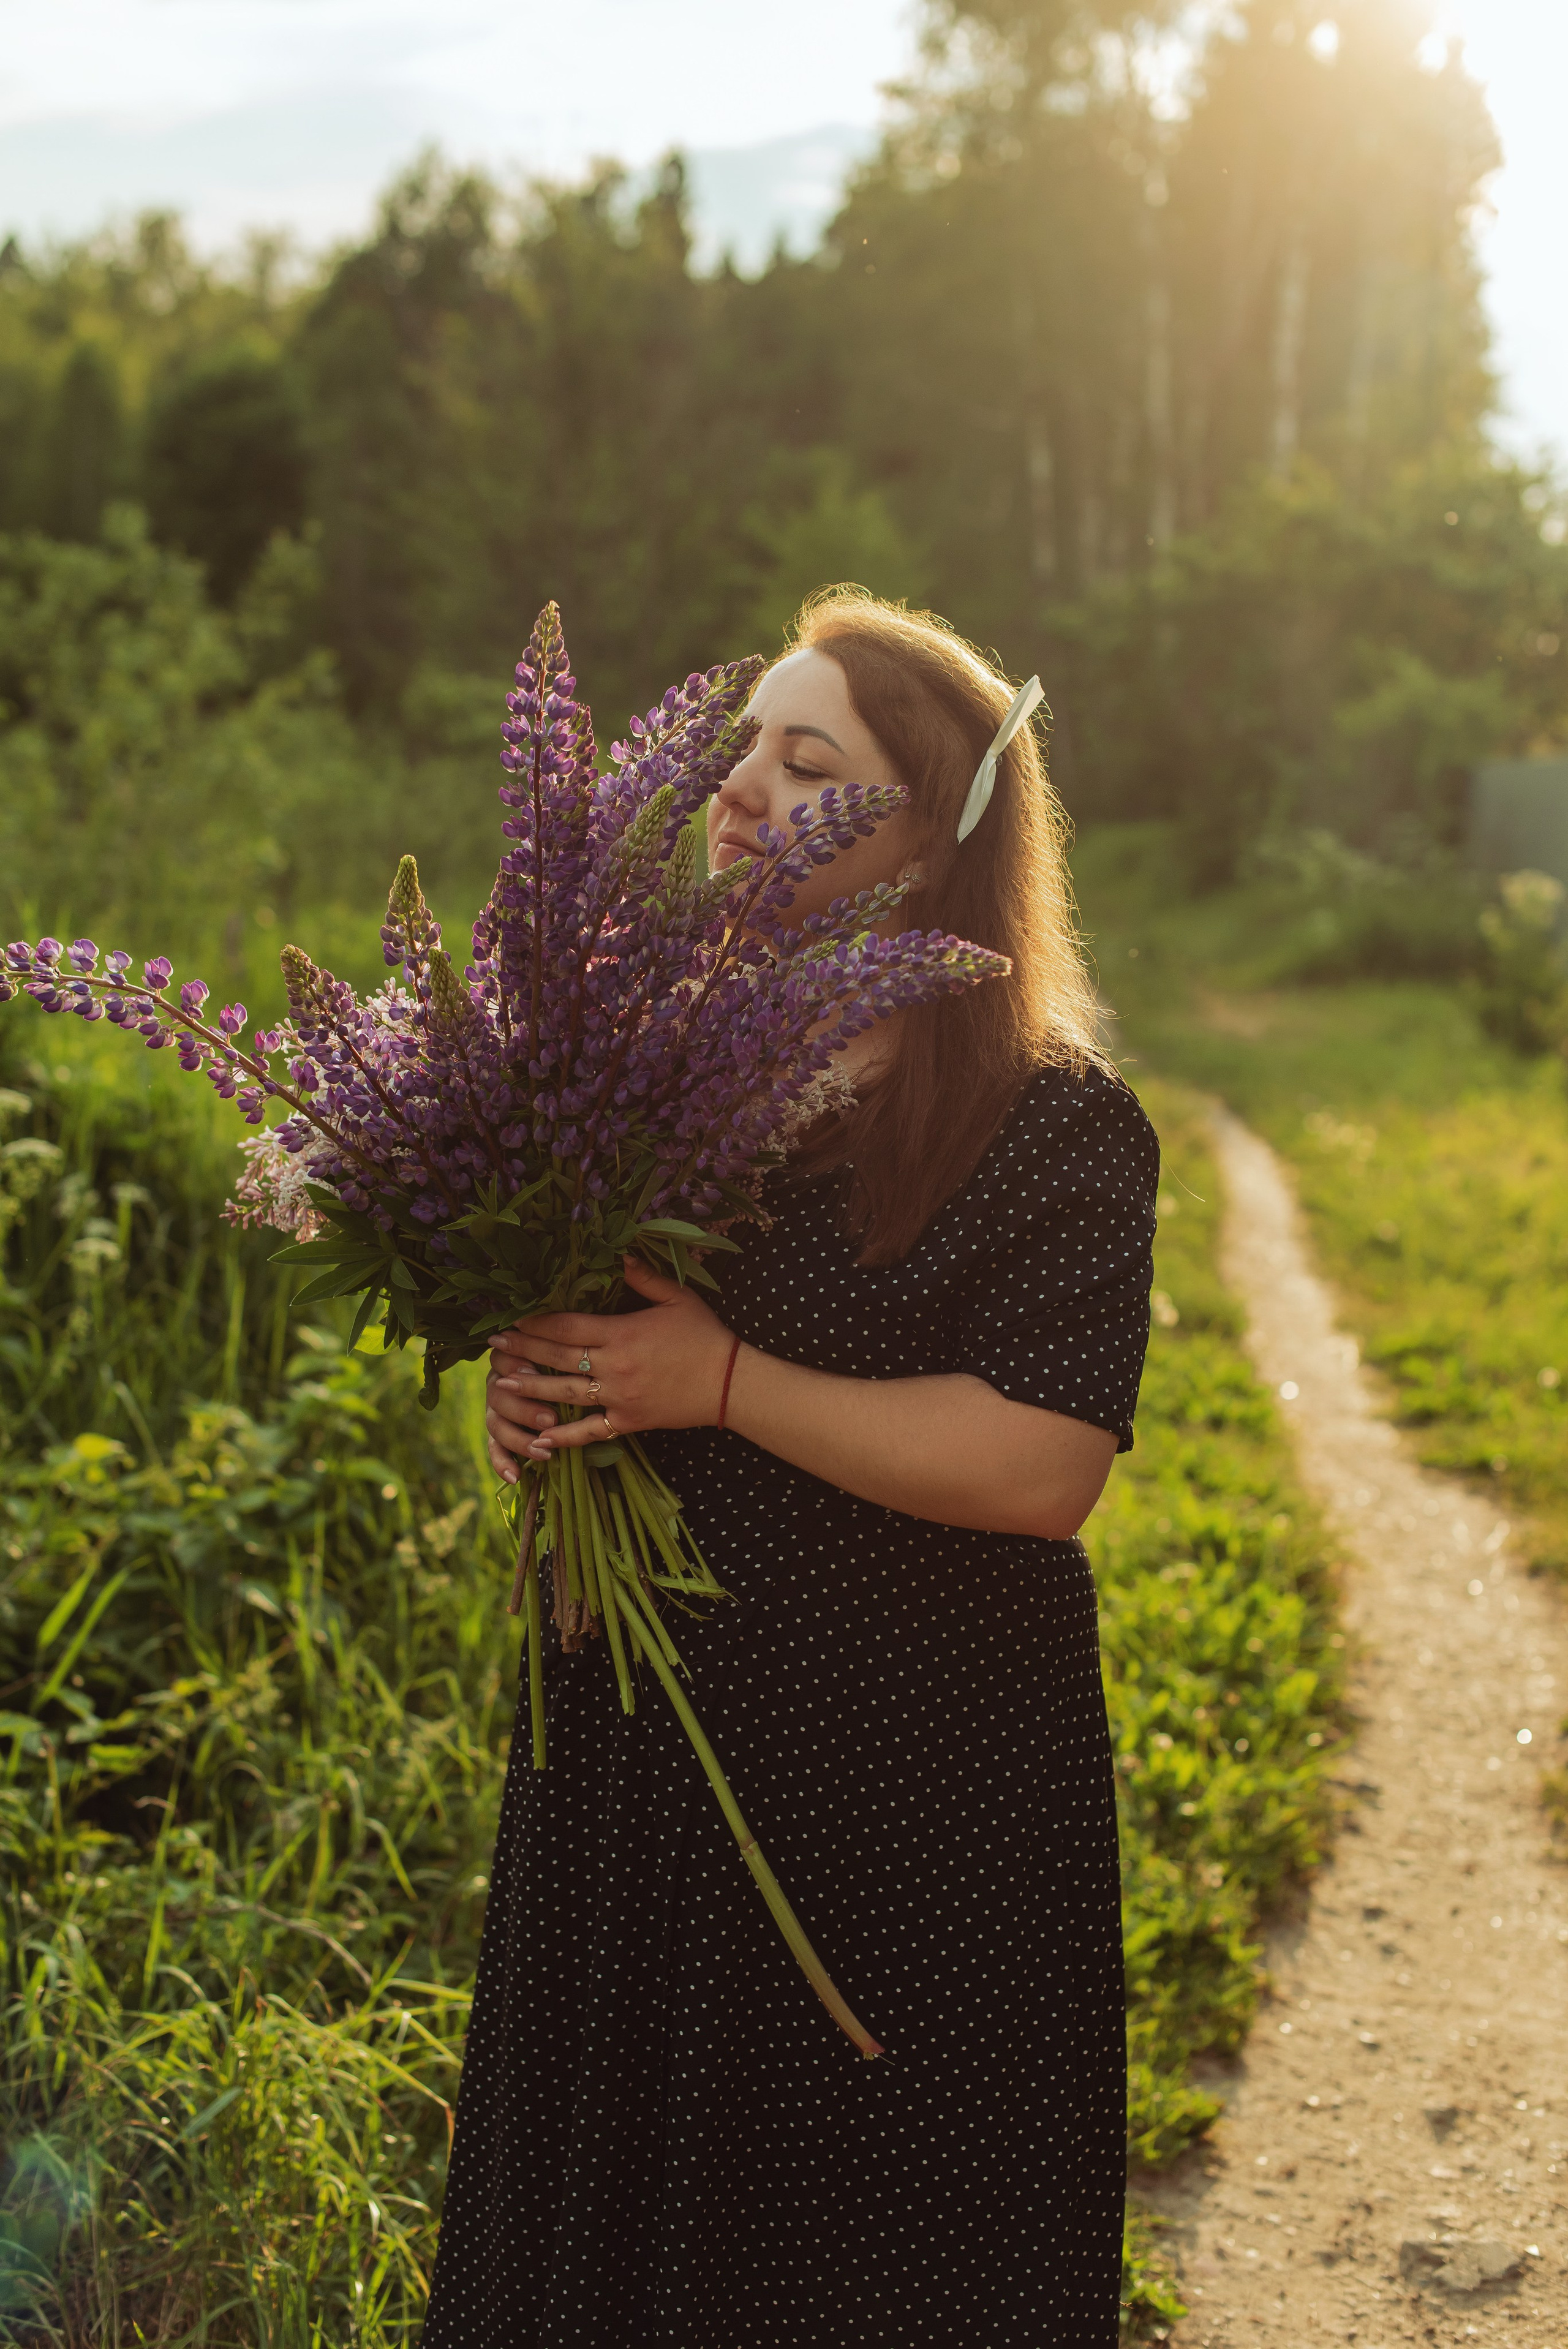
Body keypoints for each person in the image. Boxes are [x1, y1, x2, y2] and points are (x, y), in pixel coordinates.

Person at [421, 589, 1158, 2347]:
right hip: (636, 1763)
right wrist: (540, 1400)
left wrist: (725, 1378)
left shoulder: (1049, 1119)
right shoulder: (644, 1070)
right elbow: (601, 1351)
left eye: (805, 758)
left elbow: (1046, 1459)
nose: (740, 785)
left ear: (924, 842)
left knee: (858, 2243)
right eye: (744, 741)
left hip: (910, 1788)